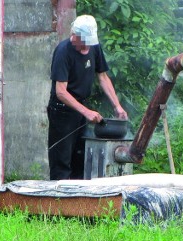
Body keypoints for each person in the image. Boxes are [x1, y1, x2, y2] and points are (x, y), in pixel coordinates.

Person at [48, 15, 128, 180]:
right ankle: (58, 202)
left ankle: (79, 201)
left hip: (81, 109)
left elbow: (103, 77)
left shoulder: (94, 47)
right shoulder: (63, 52)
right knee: (62, 161)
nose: (86, 47)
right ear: (74, 35)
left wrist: (117, 106)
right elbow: (61, 92)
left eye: (88, 43)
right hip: (62, 112)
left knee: (80, 158)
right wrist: (87, 112)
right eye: (83, 43)